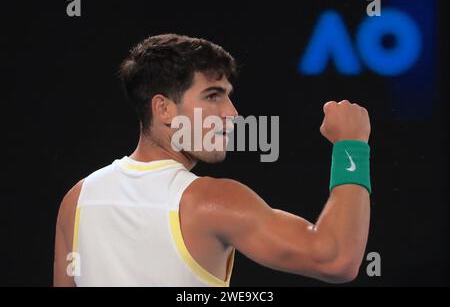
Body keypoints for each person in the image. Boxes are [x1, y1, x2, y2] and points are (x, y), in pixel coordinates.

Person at [53, 34, 371, 286]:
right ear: (163, 109)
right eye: (213, 96)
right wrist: (351, 143)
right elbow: (337, 258)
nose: (231, 113)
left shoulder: (77, 199)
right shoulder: (212, 201)